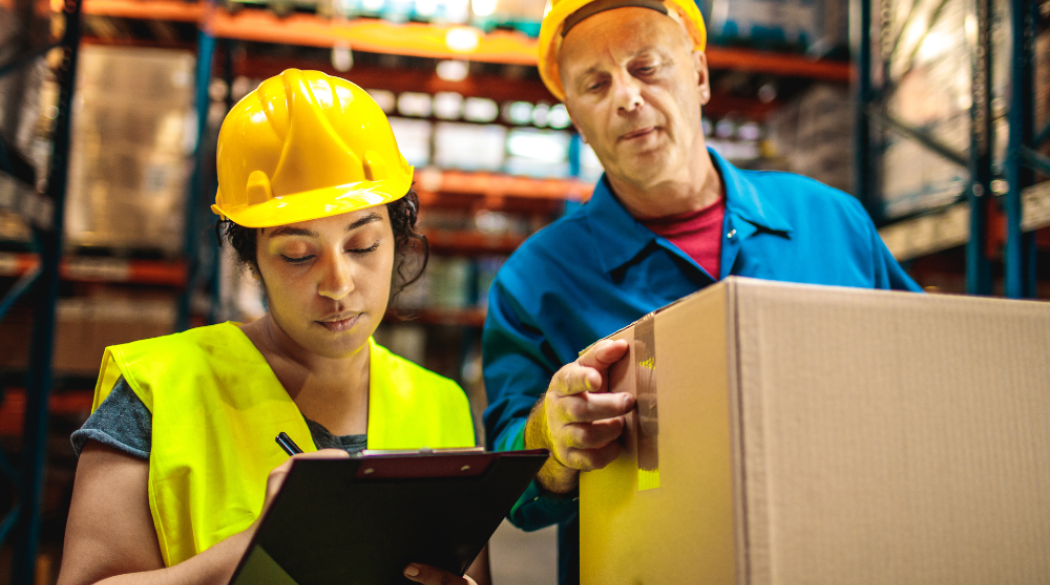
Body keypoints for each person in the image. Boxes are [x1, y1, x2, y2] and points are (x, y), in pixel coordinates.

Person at [481, 1, 924, 582]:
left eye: (646, 67)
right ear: (575, 116)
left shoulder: (831, 222)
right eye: (595, 84)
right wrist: (553, 438)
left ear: (698, 74)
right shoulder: (535, 281)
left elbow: (923, 375)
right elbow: (515, 494)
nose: (627, 97)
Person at [57, 69, 486, 585]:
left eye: (363, 246)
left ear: (397, 237)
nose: (338, 284)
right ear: (253, 259)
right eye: (298, 255)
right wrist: (257, 549)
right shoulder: (160, 388)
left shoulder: (442, 406)